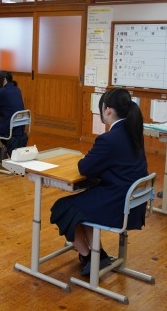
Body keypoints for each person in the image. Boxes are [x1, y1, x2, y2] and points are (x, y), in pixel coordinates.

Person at [50, 88, 149, 277]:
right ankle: (100, 255)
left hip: (118, 205)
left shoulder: (109, 139)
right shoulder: (134, 132)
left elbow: (84, 168)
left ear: (108, 110)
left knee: (62, 207)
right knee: (82, 205)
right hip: (134, 203)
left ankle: (87, 257)